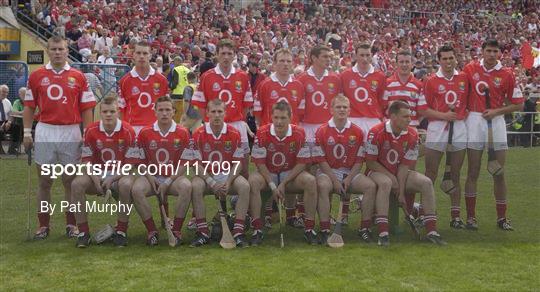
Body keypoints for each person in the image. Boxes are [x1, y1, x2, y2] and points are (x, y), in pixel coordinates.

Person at [23, 35, 97, 239]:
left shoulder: (78, 76)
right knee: (45, 182)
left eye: (61, 49)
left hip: (70, 131)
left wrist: (87, 134)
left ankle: (71, 225)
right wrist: (27, 132)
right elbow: (29, 107)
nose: (57, 52)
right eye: (54, 49)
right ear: (48, 51)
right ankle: (43, 225)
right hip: (45, 130)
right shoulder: (36, 76)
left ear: (67, 51)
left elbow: (87, 109)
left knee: (69, 181)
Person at [365, 100, 446, 246]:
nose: (410, 119)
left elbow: (404, 167)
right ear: (393, 117)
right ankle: (383, 233)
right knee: (385, 182)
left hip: (399, 173)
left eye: (410, 116)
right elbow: (370, 162)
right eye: (405, 116)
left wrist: (401, 191)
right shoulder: (376, 131)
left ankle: (432, 231)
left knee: (426, 182)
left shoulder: (413, 135)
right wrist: (391, 177)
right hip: (376, 172)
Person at [462, 39, 524, 231]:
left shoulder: (507, 74)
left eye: (495, 51)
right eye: (488, 50)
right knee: (473, 171)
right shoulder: (470, 68)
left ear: (500, 53)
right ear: (482, 51)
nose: (491, 54)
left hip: (495, 122)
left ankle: (502, 218)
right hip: (474, 120)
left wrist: (496, 112)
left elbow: (518, 104)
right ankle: (471, 217)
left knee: (498, 172)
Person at [71, 95, 138, 247]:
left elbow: (131, 164)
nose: (108, 115)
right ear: (100, 113)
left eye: (112, 111)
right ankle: (83, 233)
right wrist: (96, 181)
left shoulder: (128, 130)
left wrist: (112, 178)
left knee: (126, 185)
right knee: (76, 185)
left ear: (118, 112)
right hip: (96, 174)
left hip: (120, 174)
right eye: (105, 111)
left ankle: (121, 231)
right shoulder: (90, 130)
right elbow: (87, 162)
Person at [311, 95, 377, 244]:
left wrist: (348, 178)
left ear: (349, 111)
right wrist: (335, 180)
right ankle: (325, 228)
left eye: (345, 107)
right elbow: (321, 161)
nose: (341, 110)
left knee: (370, 186)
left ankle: (365, 228)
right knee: (322, 185)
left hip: (350, 172)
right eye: (338, 107)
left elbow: (359, 160)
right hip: (328, 172)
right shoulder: (321, 131)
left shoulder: (358, 131)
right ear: (331, 110)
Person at [249, 101, 316, 245]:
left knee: (310, 181)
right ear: (271, 117)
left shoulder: (299, 132)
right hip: (268, 174)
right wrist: (273, 185)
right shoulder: (261, 132)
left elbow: (302, 163)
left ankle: (309, 229)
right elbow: (259, 163)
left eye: (283, 118)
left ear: (290, 118)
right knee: (253, 181)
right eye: (276, 118)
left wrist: (284, 183)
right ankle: (257, 229)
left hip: (290, 174)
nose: (279, 122)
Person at [130, 96, 193, 246]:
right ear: (155, 112)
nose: (164, 113)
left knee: (187, 186)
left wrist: (168, 181)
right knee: (137, 189)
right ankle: (152, 231)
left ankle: (176, 230)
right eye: (161, 110)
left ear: (173, 112)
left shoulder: (183, 132)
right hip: (151, 176)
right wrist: (150, 177)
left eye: (167, 110)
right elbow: (140, 161)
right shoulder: (145, 132)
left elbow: (185, 164)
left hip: (174, 177)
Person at [418, 45, 469, 229]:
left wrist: (463, 115)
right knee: (430, 172)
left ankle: (455, 216)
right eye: (445, 59)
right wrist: (444, 116)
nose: (448, 62)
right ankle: (424, 213)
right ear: (439, 60)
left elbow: (471, 102)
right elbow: (423, 109)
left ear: (456, 58)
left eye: (451, 58)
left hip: (459, 128)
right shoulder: (431, 81)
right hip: (437, 128)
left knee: (455, 174)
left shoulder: (464, 78)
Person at [190, 99, 253, 247]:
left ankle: (238, 232)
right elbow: (195, 165)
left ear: (225, 113)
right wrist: (212, 183)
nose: (217, 115)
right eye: (213, 112)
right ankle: (203, 232)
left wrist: (228, 182)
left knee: (244, 186)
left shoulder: (234, 133)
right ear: (207, 114)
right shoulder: (198, 133)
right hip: (207, 177)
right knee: (195, 185)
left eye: (220, 112)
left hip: (227, 175)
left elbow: (238, 163)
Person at [191, 39, 253, 176]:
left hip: (237, 124)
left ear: (234, 55)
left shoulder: (242, 76)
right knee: (212, 164)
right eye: (223, 53)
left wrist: (238, 118)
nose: (226, 57)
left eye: (229, 53)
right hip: (214, 125)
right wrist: (208, 121)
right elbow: (200, 104)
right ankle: (215, 188)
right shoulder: (207, 76)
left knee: (243, 165)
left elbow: (246, 105)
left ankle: (239, 195)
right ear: (217, 55)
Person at [118, 41, 169, 136]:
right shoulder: (125, 81)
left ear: (150, 56)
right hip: (131, 128)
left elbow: (167, 108)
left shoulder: (162, 80)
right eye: (138, 53)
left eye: (145, 53)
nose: (142, 56)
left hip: (155, 128)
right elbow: (121, 109)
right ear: (133, 55)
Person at [254, 48, 305, 126]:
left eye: (288, 61)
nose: (285, 64)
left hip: (292, 133)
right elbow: (257, 113)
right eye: (282, 61)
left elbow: (300, 113)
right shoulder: (264, 85)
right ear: (274, 64)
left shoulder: (299, 86)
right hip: (269, 133)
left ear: (293, 65)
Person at [0, 84, 12, 154]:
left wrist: (9, 122)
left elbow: (11, 114)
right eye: (3, 91)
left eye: (7, 92)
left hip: (5, 122)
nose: (5, 94)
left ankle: (12, 148)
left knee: (17, 128)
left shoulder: (8, 102)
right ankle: (0, 149)